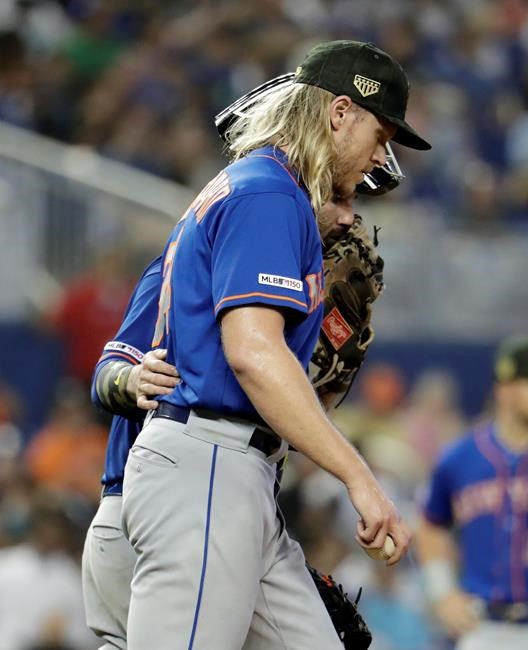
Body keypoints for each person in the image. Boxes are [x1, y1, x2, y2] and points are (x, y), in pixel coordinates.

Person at [98, 40, 429, 649]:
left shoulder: (259, 188)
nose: (380, 156)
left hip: (237, 472)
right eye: (380, 136)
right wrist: (358, 478)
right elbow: (253, 353)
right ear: (339, 113)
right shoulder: (271, 192)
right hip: (206, 466)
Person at [414, 337, 528, 650]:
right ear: (504, 389)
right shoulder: (460, 457)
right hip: (484, 626)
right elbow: (428, 524)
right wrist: (443, 592)